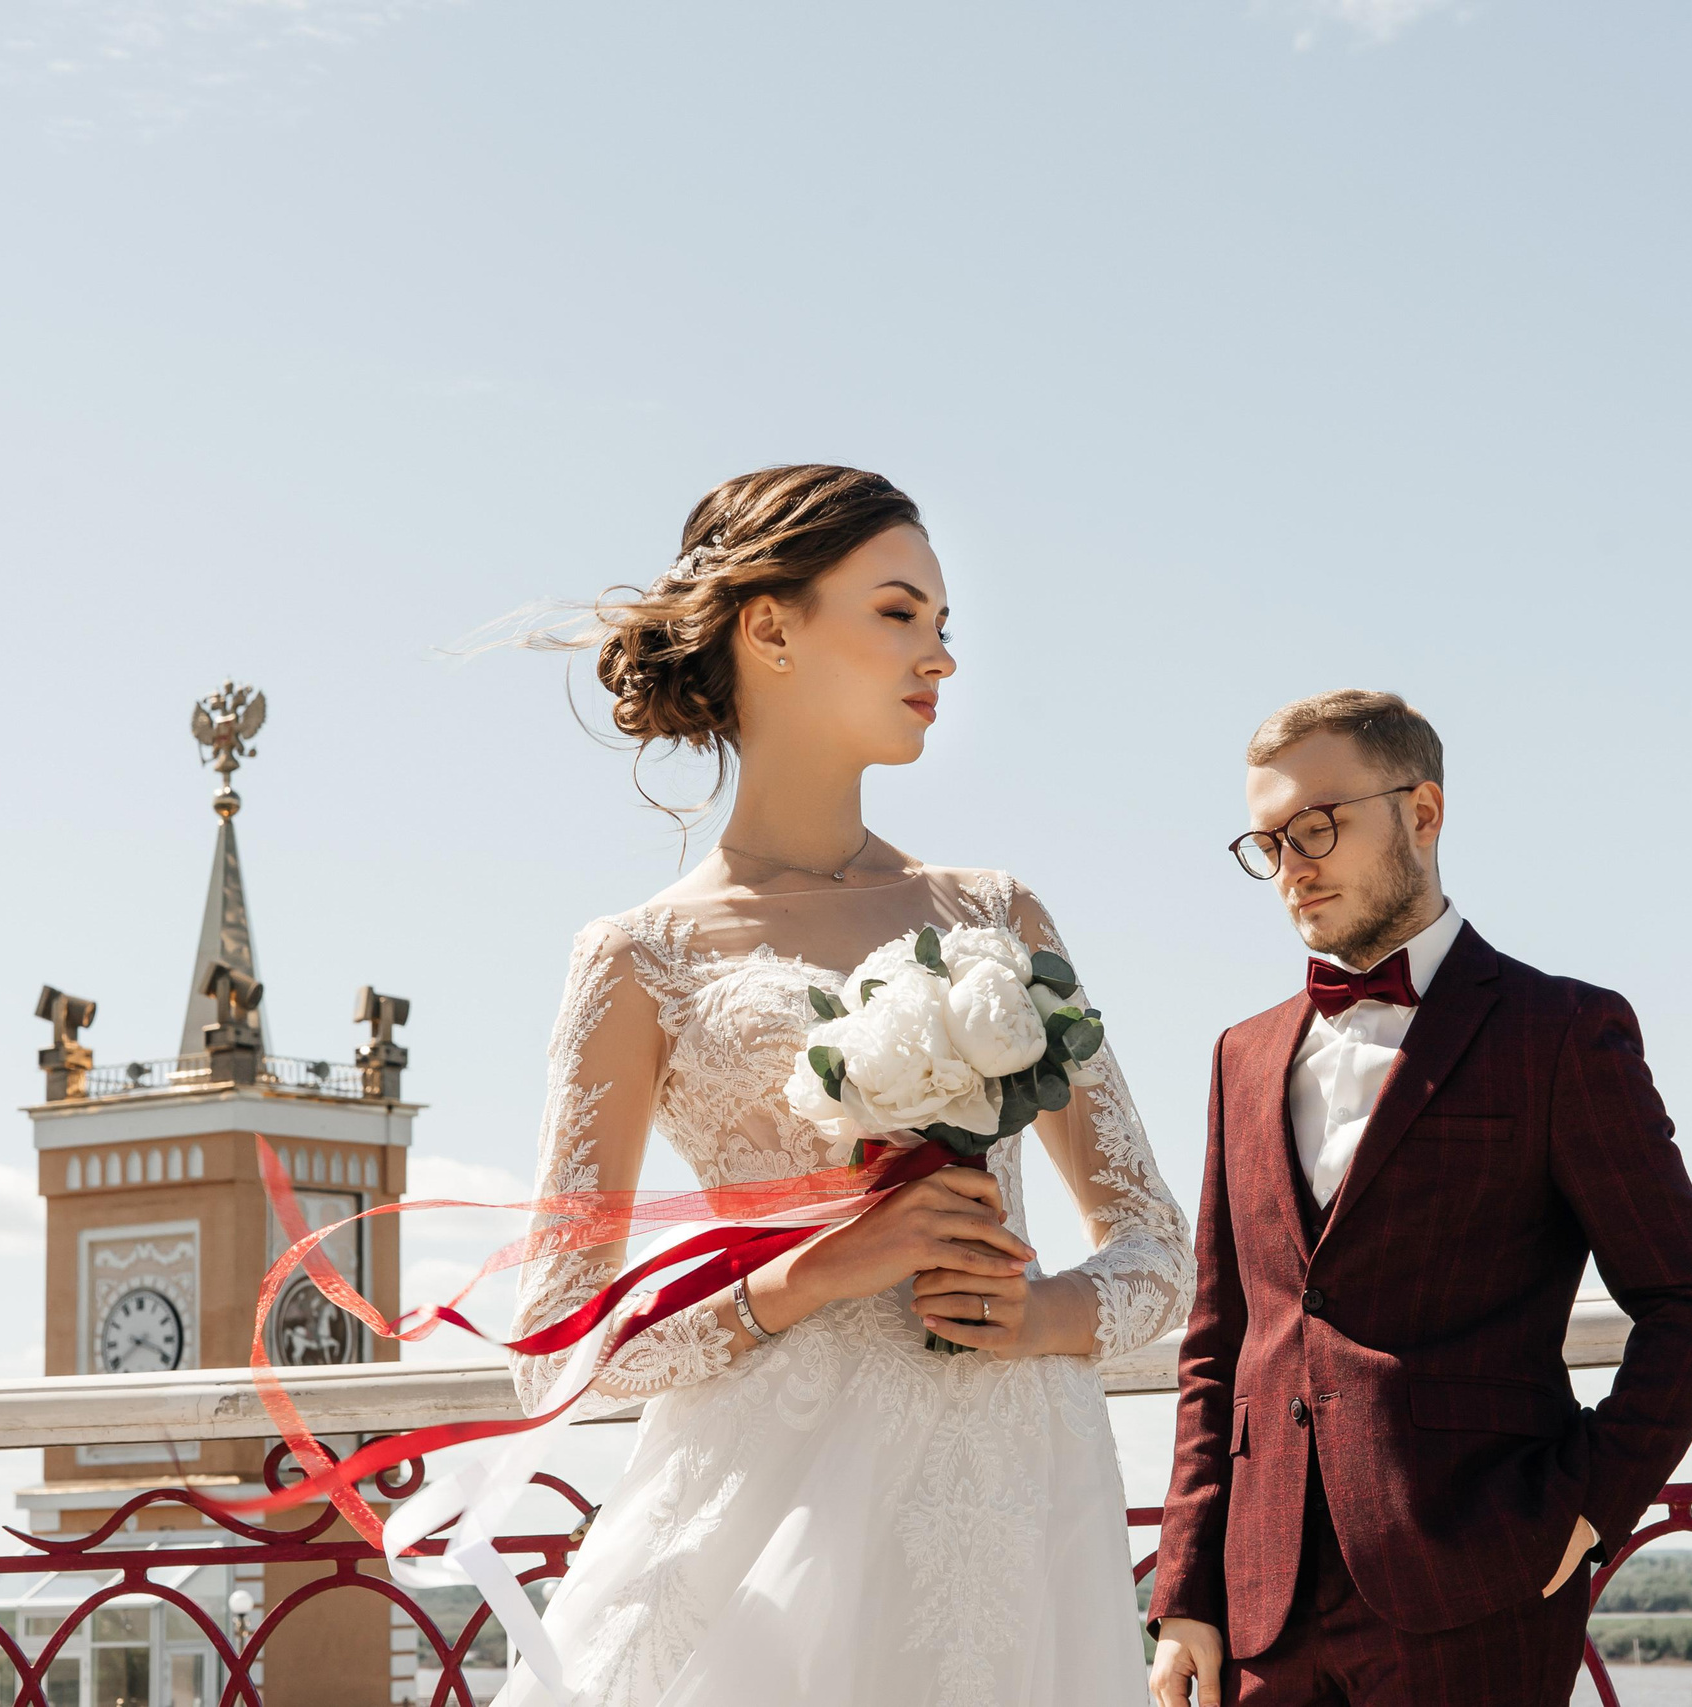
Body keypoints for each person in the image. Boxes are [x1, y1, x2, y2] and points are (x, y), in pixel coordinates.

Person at [497, 464, 1194, 1707]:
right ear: (770, 628)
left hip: (1013, 1504)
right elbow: (553, 1345)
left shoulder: (992, 914)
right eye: (896, 612)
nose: (940, 656)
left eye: (941, 624)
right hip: (766, 1542)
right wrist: (808, 1276)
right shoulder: (636, 959)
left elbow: (1155, 1248)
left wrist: (1041, 1316)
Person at [1148, 691, 1692, 1707]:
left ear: (1422, 812)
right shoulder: (1238, 1057)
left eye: (1318, 827)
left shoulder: (1558, 1032)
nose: (1292, 865)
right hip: (1260, 1608)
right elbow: (1221, 1341)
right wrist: (1186, 1591)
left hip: (1477, 1586)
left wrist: (1589, 1506)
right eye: (1267, 842)